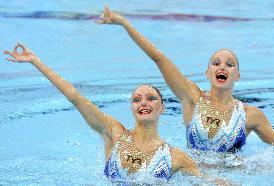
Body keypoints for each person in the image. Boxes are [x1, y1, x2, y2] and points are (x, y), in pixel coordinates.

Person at [3, 43, 225, 185]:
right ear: (131, 108)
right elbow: (75, 97)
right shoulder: (113, 133)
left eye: (151, 98)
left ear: (162, 108)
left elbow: (206, 181)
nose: (143, 103)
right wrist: (36, 62)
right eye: (136, 100)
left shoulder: (176, 157)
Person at [97, 6, 274, 153]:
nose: (222, 67)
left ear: (237, 75)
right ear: (207, 73)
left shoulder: (251, 115)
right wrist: (123, 23)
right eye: (216, 63)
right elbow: (159, 58)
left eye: (229, 64)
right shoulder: (192, 98)